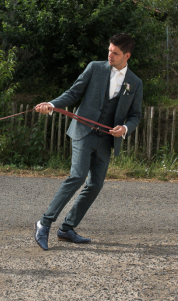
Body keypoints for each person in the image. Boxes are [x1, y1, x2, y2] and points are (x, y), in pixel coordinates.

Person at [33, 33, 143, 250]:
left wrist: (125, 129)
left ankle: (67, 228)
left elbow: (135, 116)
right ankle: (44, 223)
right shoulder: (95, 68)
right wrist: (52, 104)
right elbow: (73, 93)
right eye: (109, 50)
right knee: (77, 176)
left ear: (127, 55)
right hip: (84, 133)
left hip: (106, 140)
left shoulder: (135, 83)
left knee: (95, 184)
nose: (109, 55)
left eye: (115, 53)